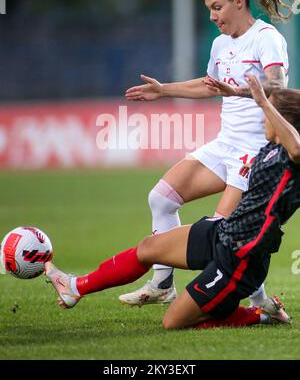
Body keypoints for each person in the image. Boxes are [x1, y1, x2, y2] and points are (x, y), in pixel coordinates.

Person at [120, 0, 296, 308]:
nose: (213, 16)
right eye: (208, 10)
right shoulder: (221, 45)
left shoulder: (267, 39)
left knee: (221, 233)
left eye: (217, 8)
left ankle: (259, 301)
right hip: (225, 145)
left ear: (238, 1)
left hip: (256, 151)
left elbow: (276, 90)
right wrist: (163, 89)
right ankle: (163, 285)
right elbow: (209, 84)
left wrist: (237, 93)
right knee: (162, 199)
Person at [45, 75, 300, 329]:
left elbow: (297, 148)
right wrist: (237, 91)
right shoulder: (270, 146)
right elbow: (274, 91)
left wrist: (266, 105)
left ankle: (262, 314)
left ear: (284, 120)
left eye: (266, 113)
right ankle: (75, 288)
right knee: (148, 248)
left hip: (241, 257)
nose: (261, 117)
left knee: (173, 322)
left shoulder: (293, 158)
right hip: (223, 232)